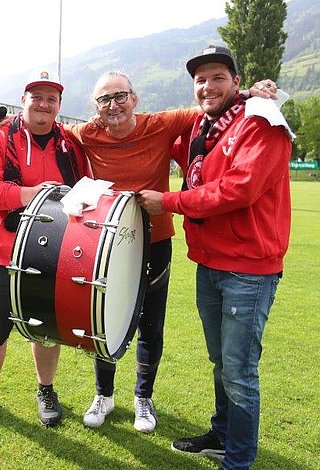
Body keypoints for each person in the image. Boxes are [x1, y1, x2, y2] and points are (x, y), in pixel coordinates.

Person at [0, 71, 274, 434]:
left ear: (134, 98)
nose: (113, 105)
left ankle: (143, 397)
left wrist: (251, 91)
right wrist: (1, 126)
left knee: (150, 324)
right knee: (99, 317)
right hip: (101, 243)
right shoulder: (86, 133)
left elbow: (210, 105)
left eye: (120, 96)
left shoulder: (162, 123)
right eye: (105, 100)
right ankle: (103, 394)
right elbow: (49, 129)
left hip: (155, 240)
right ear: (95, 108)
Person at [137, 46, 292, 467]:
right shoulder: (203, 131)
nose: (208, 86)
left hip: (249, 269)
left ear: (236, 82)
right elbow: (159, 144)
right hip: (211, 264)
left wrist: (168, 200)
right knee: (221, 362)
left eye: (218, 76)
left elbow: (238, 189)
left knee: (239, 373)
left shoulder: (261, 120)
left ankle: (237, 460)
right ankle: (223, 436)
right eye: (201, 79)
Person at [0, 69, 91, 433]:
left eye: (51, 99)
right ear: (24, 101)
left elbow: (83, 188)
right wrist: (31, 192)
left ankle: (46, 390)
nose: (44, 104)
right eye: (37, 96)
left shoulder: (69, 143)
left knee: (48, 330)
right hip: (0, 256)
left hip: (51, 255)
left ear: (59, 106)